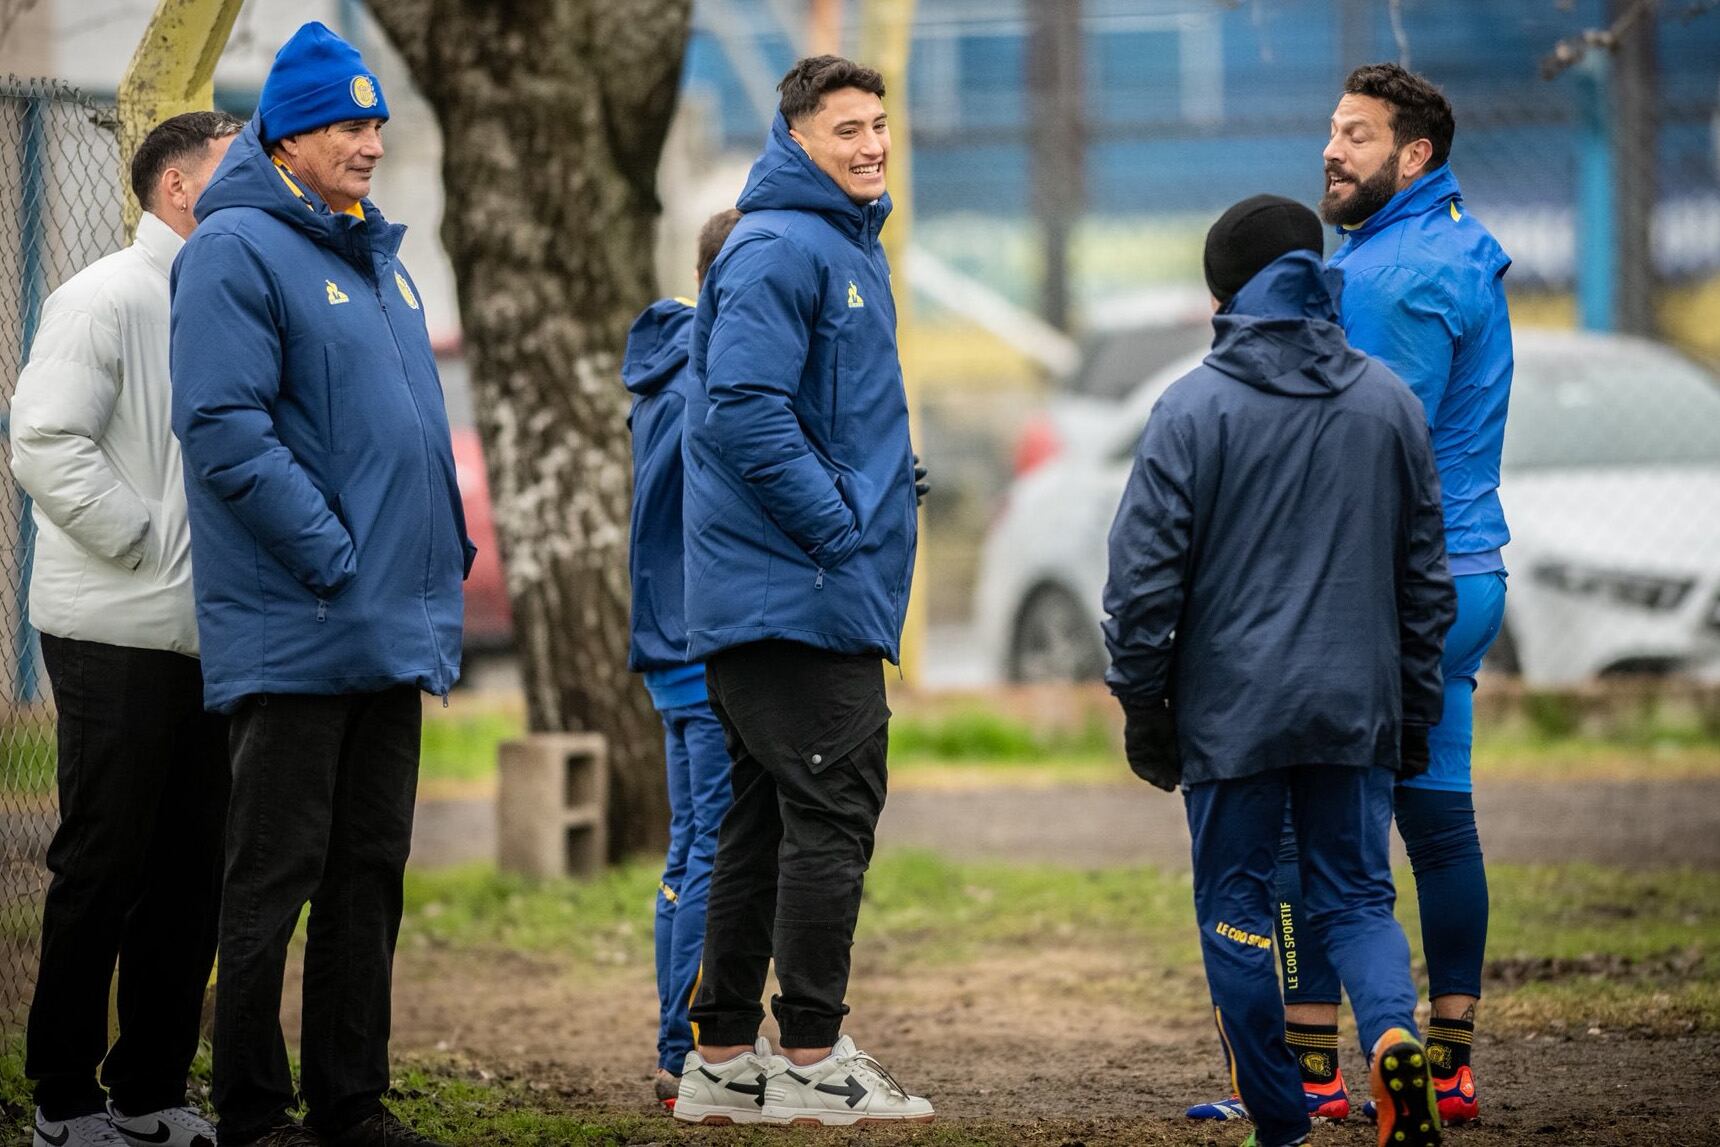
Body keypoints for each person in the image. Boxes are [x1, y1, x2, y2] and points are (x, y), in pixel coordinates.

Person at [1189, 64, 1510, 1131]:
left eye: (1357, 136)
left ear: (1413, 155)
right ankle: (1445, 1062)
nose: (1331, 151)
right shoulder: (1459, 244)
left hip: (1392, 586)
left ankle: (1315, 1067)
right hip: (1470, 572)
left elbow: (1367, 442)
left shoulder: (1385, 276)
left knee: (1309, 832)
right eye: (1332, 131)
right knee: (1436, 818)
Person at [169, 22, 473, 1147]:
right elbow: (222, 426)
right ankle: (253, 1109)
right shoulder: (235, 250)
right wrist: (334, 553)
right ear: (287, 138)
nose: (371, 143)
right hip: (303, 622)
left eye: (378, 122)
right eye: (349, 124)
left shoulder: (372, 253)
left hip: (391, 620)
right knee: (273, 877)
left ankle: (352, 1100)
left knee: (368, 873)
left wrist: (434, 558)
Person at [1103, 195, 1455, 1147]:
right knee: (1357, 895)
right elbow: (1426, 578)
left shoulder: (1190, 408)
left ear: (1224, 293)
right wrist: (1411, 704)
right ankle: (1391, 1039)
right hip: (1357, 706)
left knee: (1237, 902)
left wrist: (1144, 702)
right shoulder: (1389, 401)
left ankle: (1281, 1122)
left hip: (1232, 716)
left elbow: (1142, 581)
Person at [672, 55, 933, 1127]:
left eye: (877, 124)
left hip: (800, 590)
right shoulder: (785, 244)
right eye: (845, 129)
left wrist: (882, 479)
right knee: (833, 813)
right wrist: (839, 522)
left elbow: (818, 408)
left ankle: (725, 1058)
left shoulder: (834, 243)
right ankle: (814, 1057)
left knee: (763, 824)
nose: (871, 144)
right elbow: (741, 409)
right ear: (794, 137)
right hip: (796, 594)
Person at [12, 110, 241, 1147]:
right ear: (179, 188)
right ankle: (62, 1098)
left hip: (215, 637)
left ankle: (150, 1090)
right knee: (104, 859)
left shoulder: (231, 297)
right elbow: (45, 441)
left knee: (193, 866)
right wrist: (150, 543)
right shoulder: (103, 296)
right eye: (242, 174)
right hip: (114, 627)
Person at [623, 206, 742, 1110]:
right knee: (711, 846)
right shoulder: (704, 378)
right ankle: (687, 1049)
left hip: (677, 644)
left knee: (691, 844)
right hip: (701, 645)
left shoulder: (673, 367)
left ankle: (683, 1045)